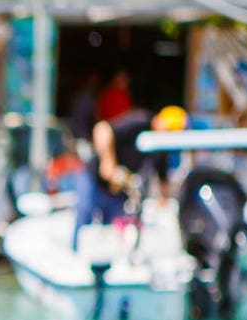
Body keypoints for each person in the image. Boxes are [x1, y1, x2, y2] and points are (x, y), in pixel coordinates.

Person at [72, 106, 188, 251]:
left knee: (111, 232)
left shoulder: (160, 146)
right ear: (160, 122)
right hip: (94, 178)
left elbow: (162, 180)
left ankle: (103, 262)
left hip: (118, 188)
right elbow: (102, 129)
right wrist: (108, 161)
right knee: (85, 220)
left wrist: (168, 206)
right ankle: (76, 255)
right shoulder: (140, 121)